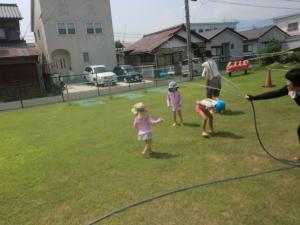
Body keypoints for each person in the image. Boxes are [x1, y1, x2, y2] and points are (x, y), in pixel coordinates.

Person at [245, 68, 300, 160]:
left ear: (297, 84)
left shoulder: (293, 89)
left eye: (289, 81)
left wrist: (295, 98)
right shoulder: (291, 88)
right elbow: (274, 94)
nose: (287, 83)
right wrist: (253, 98)